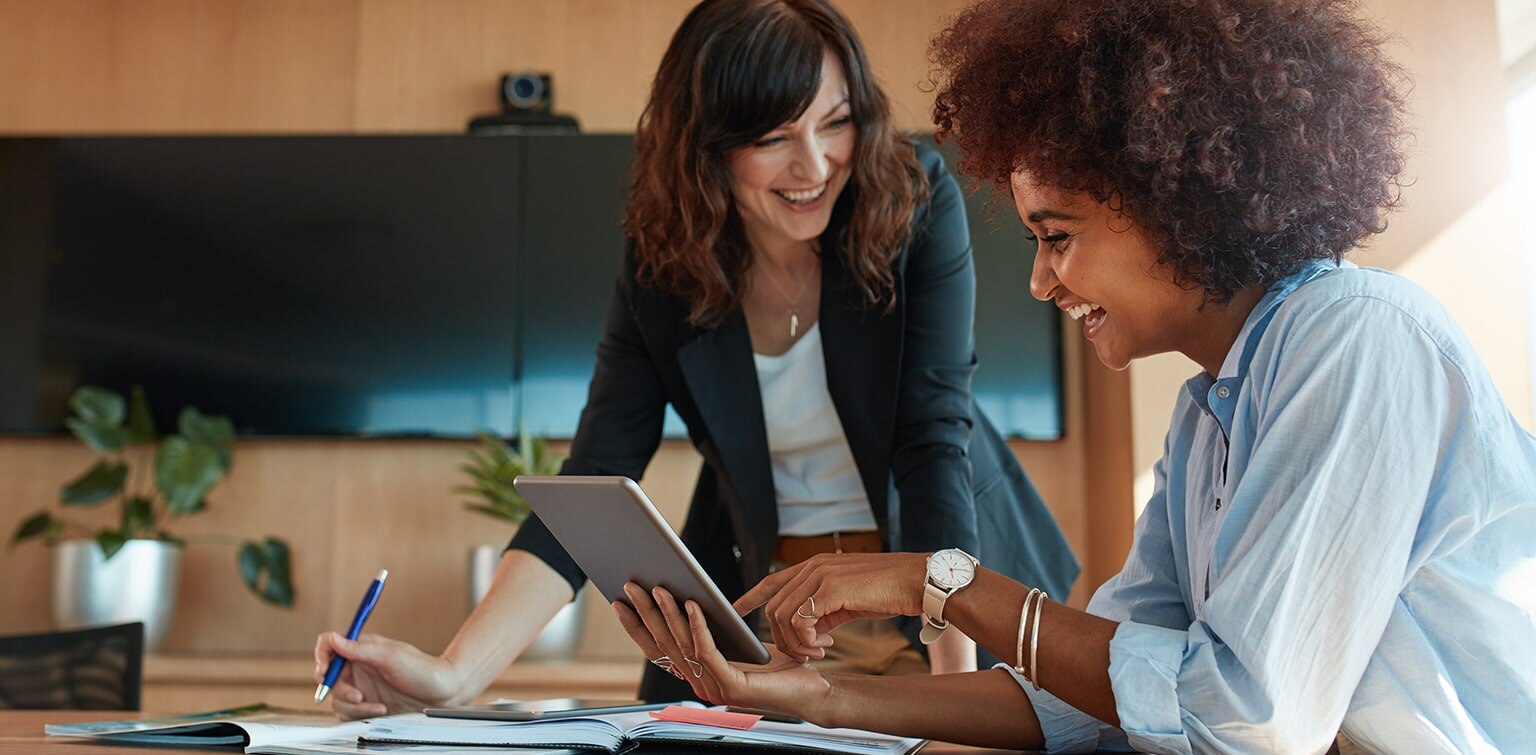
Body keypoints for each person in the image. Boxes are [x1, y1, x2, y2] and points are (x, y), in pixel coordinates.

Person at [612, 0, 1536, 752]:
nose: (1041, 279)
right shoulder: (1206, 418)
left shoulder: (1354, 338)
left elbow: (1242, 718)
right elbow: (1099, 698)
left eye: (1057, 236)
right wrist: (816, 698)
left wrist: (941, 580)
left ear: (1176, 200)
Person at [313, 0, 1077, 718]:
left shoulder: (912, 198)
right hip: (781, 616)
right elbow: (594, 476)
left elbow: (930, 440)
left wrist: (957, 695)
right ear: (707, 144)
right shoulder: (666, 262)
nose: (815, 165)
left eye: (836, 122)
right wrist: (452, 675)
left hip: (942, 602)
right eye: (773, 138)